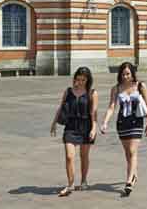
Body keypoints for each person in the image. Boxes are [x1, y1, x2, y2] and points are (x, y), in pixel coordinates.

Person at [100, 62, 147, 196]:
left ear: (133, 73)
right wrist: (105, 122)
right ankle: (134, 173)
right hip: (122, 123)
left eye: (128, 74)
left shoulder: (141, 86)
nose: (125, 77)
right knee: (128, 153)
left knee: (132, 150)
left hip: (137, 122)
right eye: (123, 74)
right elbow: (111, 107)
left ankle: (129, 181)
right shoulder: (116, 88)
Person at [51, 67, 98, 197]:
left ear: (88, 80)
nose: (80, 82)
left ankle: (83, 180)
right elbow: (60, 107)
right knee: (69, 156)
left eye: (83, 80)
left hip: (86, 127)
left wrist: (94, 128)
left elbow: (94, 113)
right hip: (71, 127)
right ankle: (70, 184)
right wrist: (54, 123)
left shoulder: (92, 93)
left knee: (84, 156)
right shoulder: (68, 91)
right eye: (78, 79)